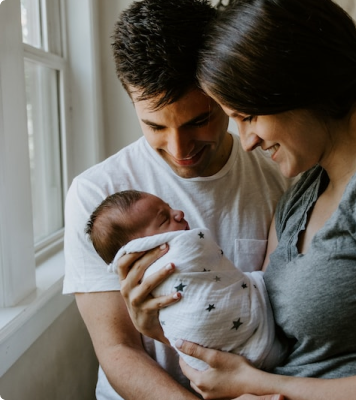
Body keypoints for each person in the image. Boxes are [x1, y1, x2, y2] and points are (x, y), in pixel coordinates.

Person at [155, 0, 356, 398]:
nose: (246, 141)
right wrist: (162, 323)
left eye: (249, 116)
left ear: (301, 86)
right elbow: (260, 331)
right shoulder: (300, 194)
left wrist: (256, 384)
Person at [62, 1, 290, 399]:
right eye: (154, 125)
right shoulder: (97, 195)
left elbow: (278, 319)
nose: (179, 148)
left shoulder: (277, 178)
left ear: (224, 92)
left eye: (198, 121)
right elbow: (117, 349)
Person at [86, 190, 286, 372]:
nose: (179, 213)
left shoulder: (275, 183)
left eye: (169, 207)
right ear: (142, 246)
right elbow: (116, 350)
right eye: (164, 218)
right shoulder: (91, 189)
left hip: (218, 370)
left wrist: (156, 331)